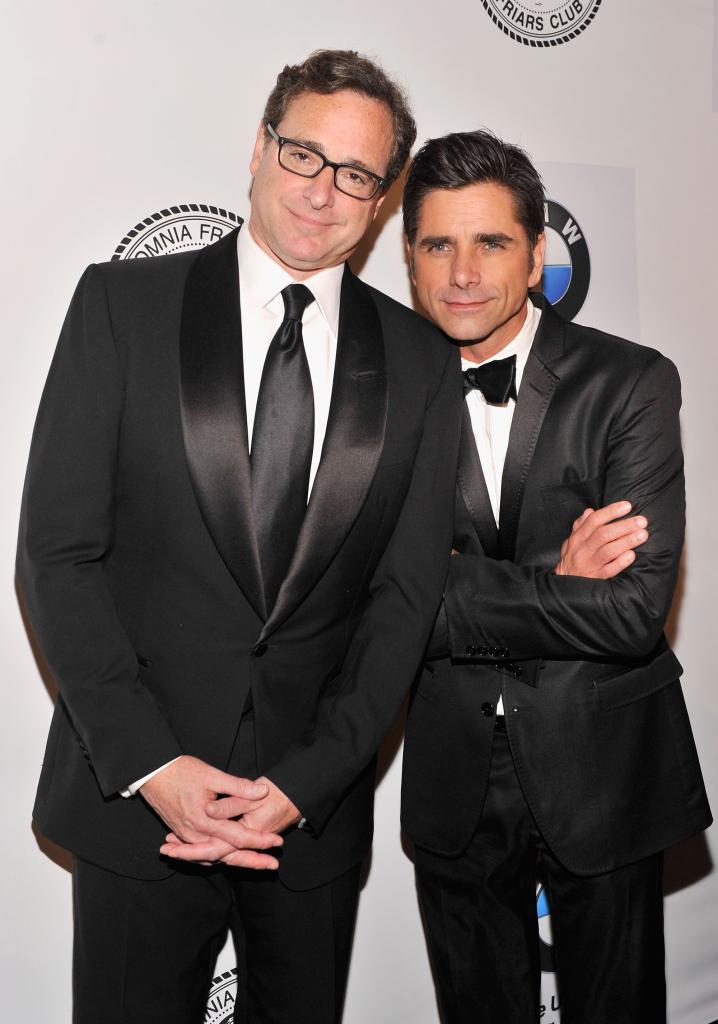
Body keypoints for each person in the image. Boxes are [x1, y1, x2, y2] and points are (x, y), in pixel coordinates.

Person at [17, 50, 462, 1024]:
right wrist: (154, 766)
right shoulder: (121, 308)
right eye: (304, 154)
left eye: (356, 173)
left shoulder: (425, 365)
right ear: (258, 148)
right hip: (137, 806)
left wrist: (302, 784)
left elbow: (403, 601)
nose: (322, 190)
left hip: (309, 825)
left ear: (382, 200)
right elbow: (57, 554)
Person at [400, 130, 711, 1024]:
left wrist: (450, 587)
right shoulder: (374, 401)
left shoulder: (631, 383)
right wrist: (557, 577)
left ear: (538, 255)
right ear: (410, 259)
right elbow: (379, 603)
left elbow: (630, 613)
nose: (462, 272)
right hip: (454, 767)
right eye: (437, 245)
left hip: (603, 759)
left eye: (490, 242)